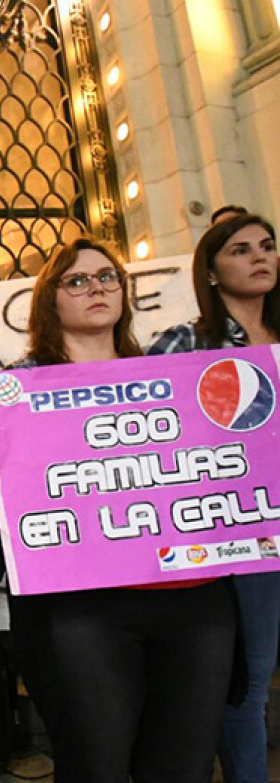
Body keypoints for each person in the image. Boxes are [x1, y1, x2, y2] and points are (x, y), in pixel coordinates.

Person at [0, 237, 238, 782]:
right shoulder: (19, 390)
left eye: (109, 277)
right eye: (79, 280)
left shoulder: (174, 378)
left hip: (194, 602)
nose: (98, 289)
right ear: (50, 301)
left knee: (183, 768)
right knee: (96, 765)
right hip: (84, 612)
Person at [148, 213, 278, 783]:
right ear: (213, 270)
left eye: (268, 246)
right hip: (244, 537)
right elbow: (142, 424)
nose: (260, 257)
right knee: (247, 688)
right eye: (241, 249)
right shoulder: (188, 340)